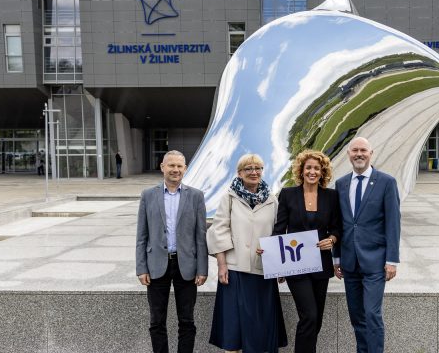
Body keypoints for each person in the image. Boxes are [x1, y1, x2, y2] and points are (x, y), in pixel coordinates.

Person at [207, 153, 287, 352]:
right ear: (239, 173)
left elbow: (279, 232)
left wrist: (280, 265)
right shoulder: (229, 197)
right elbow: (219, 230)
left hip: (263, 270)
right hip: (235, 270)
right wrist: (222, 264)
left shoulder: (272, 199)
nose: (254, 172)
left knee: (261, 325)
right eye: (248, 169)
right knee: (233, 326)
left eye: (257, 168)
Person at [135, 150, 208, 353]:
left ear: (185, 169)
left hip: (187, 266)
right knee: (156, 321)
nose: (175, 169)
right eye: (171, 165)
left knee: (187, 321)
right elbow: (141, 235)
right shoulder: (148, 195)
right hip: (156, 265)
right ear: (162, 167)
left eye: (179, 166)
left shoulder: (196, 196)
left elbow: (200, 236)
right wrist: (141, 268)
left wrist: (202, 269)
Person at [333, 137, 401, 353]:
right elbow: (339, 224)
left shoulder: (386, 182)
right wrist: (336, 258)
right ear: (348, 154)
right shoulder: (341, 184)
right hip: (349, 263)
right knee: (357, 316)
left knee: (372, 314)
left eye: (363, 150)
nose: (359, 154)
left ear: (371, 153)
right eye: (355, 150)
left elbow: (393, 223)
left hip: (375, 262)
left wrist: (392, 260)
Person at [273, 150, 341, 353]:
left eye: (317, 168)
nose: (312, 172)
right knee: (309, 316)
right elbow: (279, 230)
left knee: (316, 319)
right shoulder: (288, 194)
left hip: (321, 265)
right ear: (301, 171)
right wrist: (276, 262)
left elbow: (337, 228)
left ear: (322, 172)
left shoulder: (331, 196)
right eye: (308, 167)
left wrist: (332, 239)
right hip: (296, 265)